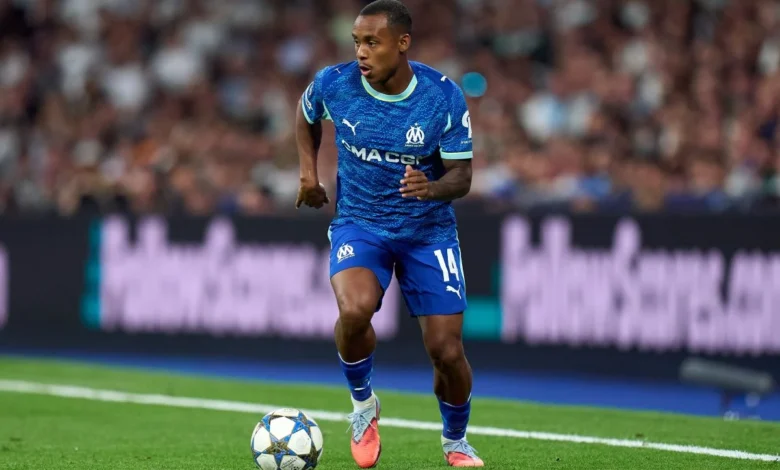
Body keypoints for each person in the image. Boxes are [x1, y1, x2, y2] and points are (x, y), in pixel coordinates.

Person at [294, 0, 482, 467]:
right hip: (361, 223)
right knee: (354, 310)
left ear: (402, 43)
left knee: (446, 351)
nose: (361, 52)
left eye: (372, 42)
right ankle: (363, 406)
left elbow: (462, 176)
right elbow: (305, 113)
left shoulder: (441, 96)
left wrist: (432, 187)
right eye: (357, 41)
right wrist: (308, 175)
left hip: (428, 232)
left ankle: (455, 440)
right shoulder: (335, 83)